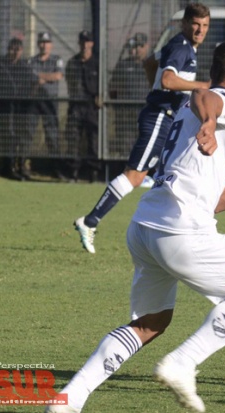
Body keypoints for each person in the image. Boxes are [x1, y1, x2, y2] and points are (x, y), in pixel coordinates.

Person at [45, 38, 225, 413]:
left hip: (146, 228)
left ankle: (69, 399)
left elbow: (218, 198)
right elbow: (210, 99)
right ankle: (183, 363)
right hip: (182, 234)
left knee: (150, 323)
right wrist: (211, 122)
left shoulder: (187, 113)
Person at [73, 3, 211, 254]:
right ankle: (90, 221)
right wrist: (201, 86)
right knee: (135, 175)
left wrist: (155, 86)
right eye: (195, 24)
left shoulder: (180, 46)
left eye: (204, 26)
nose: (200, 30)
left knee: (172, 171)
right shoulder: (181, 47)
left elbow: (150, 62)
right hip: (160, 116)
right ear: (184, 24)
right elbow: (168, 80)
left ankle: (177, 231)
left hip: (167, 117)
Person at [0, 37, 38, 180]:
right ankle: (8, 166)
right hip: (4, 106)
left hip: (20, 107)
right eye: (12, 49)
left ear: (21, 51)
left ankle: (21, 165)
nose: (14, 52)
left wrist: (29, 97)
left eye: (17, 50)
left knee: (22, 135)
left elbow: (35, 82)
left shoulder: (24, 67)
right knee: (8, 136)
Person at [28, 31, 65, 179]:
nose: (44, 45)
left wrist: (40, 76)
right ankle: (23, 166)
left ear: (51, 45)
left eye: (47, 42)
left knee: (52, 135)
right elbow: (29, 76)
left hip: (50, 101)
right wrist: (46, 76)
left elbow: (57, 76)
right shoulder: (32, 61)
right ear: (38, 44)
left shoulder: (57, 60)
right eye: (42, 42)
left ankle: (56, 169)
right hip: (34, 101)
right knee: (28, 133)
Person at [64, 30, 100, 183]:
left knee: (93, 139)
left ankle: (93, 173)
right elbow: (70, 83)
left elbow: (102, 85)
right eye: (82, 42)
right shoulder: (72, 63)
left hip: (92, 106)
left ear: (91, 43)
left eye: (88, 42)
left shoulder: (97, 63)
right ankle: (73, 172)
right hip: (76, 106)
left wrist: (99, 96)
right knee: (73, 140)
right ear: (79, 43)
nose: (85, 45)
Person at [109, 32, 151, 161]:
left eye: (141, 46)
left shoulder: (152, 64)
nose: (137, 49)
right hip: (125, 112)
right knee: (126, 143)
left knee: (145, 143)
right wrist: (117, 105)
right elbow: (113, 87)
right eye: (135, 46)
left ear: (147, 47)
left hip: (145, 110)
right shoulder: (123, 65)